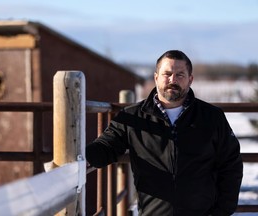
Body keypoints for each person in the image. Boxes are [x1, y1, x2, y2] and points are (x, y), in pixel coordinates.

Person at [86, 50, 243, 216]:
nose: (172, 80)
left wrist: (222, 211)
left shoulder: (211, 117)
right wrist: (82, 158)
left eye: (180, 75)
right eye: (167, 74)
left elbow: (231, 164)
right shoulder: (132, 117)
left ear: (190, 79)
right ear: (156, 77)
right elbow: (106, 146)